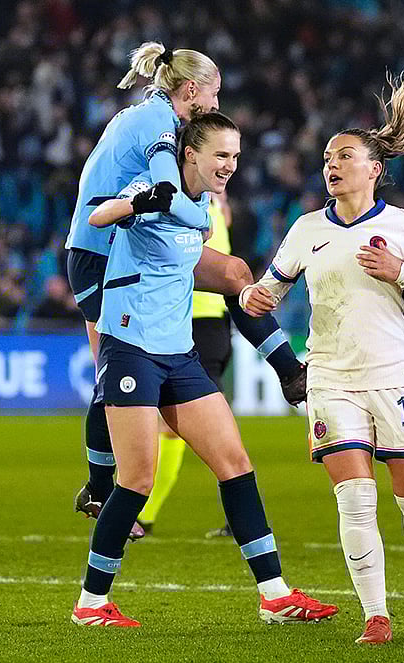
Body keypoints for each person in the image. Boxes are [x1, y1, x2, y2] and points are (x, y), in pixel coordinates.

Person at [69, 111, 338, 627]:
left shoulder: (203, 205)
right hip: (131, 350)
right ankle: (92, 602)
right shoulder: (156, 185)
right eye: (221, 155)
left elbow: (209, 265)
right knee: (138, 481)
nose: (230, 166)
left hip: (180, 355)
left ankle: (275, 594)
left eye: (235, 156)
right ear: (189, 154)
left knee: (235, 463)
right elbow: (98, 216)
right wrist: (139, 201)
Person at [241, 69, 404, 645]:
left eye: (344, 156)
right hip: (330, 376)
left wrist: (401, 272)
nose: (331, 166)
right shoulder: (307, 228)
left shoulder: (403, 226)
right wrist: (251, 295)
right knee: (355, 498)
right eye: (327, 159)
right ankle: (376, 615)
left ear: (374, 168)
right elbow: (266, 291)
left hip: (393, 372)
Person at [65, 42, 307, 539]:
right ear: (191, 90)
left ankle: (291, 372)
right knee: (112, 373)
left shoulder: (158, 120)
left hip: (139, 246)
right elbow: (166, 194)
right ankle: (97, 486)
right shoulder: (156, 124)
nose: (216, 105)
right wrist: (199, 217)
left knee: (237, 273)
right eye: (214, 95)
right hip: (100, 256)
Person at [137, 192, 236, 539]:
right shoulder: (214, 212)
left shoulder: (191, 212)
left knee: (183, 427)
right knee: (184, 425)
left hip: (196, 323)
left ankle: (144, 517)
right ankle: (146, 516)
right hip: (211, 324)